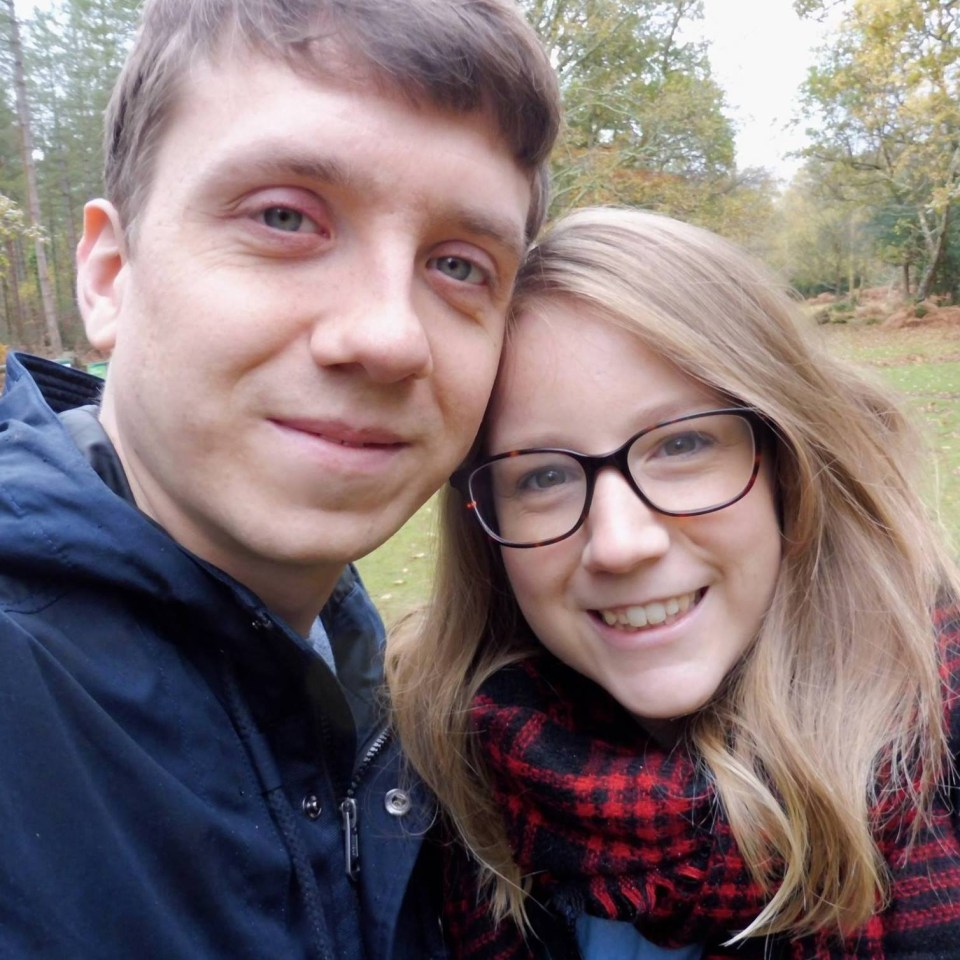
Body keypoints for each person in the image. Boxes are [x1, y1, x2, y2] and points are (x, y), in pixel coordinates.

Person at [0, 1, 560, 957]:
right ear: (109, 274)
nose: (388, 336)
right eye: (284, 216)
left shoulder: (370, 679)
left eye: (459, 265)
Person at [387, 207, 960, 959]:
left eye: (682, 444)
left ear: (788, 466)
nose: (621, 544)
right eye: (546, 476)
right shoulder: (430, 789)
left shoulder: (935, 757)